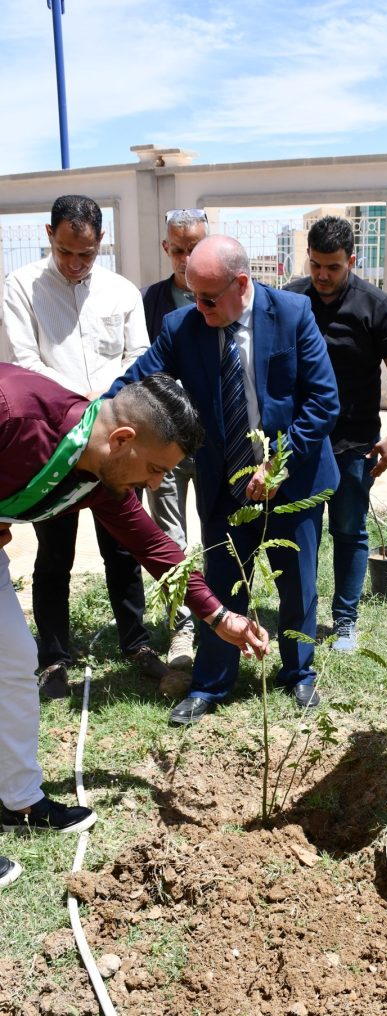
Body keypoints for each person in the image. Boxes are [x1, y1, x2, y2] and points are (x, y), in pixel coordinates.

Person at [0, 365, 268, 889]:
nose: (155, 484)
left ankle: (19, 800)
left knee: (12, 664)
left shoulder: (93, 469)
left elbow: (154, 546)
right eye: (153, 469)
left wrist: (218, 616)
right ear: (122, 438)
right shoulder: (12, 412)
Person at [108, 234, 339, 723]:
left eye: (209, 298)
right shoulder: (182, 326)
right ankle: (212, 683)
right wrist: (92, 418)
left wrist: (277, 464)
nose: (200, 306)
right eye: (193, 294)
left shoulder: (293, 314)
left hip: (290, 482)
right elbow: (138, 380)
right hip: (223, 482)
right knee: (222, 582)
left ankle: (299, 673)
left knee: (297, 580)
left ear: (241, 283)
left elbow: (321, 402)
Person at [2, 193, 164, 701]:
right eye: (67, 252)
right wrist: (83, 406)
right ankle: (53, 657)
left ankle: (135, 643)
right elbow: (24, 362)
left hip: (116, 442)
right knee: (55, 554)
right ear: (49, 235)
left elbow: (139, 356)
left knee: (124, 545)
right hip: (55, 444)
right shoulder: (21, 287)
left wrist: (108, 405)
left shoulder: (120, 292)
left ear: (101, 244)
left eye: (87, 254)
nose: (76, 264)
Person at [283, 215, 387, 651]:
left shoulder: (377, 307)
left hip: (354, 444)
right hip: (302, 442)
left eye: (333, 267)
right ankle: (300, 614)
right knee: (303, 533)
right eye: (316, 265)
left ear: (351, 260)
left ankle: (345, 620)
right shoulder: (291, 299)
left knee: (349, 531)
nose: (321, 275)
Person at [141, 209, 209, 674]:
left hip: (212, 443)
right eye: (178, 249)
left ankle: (220, 617)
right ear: (166, 248)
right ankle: (182, 627)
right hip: (162, 444)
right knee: (169, 535)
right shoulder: (150, 301)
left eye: (194, 248)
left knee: (221, 528)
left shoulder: (221, 294)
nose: (186, 258)